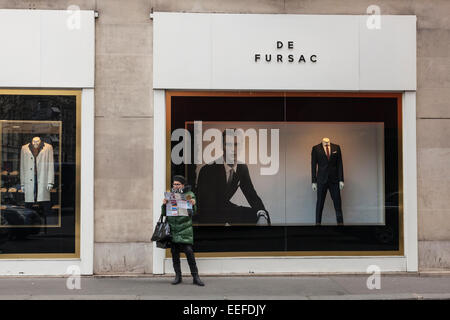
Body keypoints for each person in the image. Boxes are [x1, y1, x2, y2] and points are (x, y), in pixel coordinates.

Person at [194, 130, 271, 226]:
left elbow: (251, 194)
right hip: (208, 213)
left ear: (241, 147)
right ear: (222, 147)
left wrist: (261, 213)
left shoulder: (242, 168)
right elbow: (209, 206)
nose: (233, 149)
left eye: (236, 145)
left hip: (225, 210)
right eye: (229, 145)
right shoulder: (208, 170)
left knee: (263, 215)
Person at [162, 175, 205, 286]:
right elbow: (163, 213)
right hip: (173, 229)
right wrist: (164, 204)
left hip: (185, 229)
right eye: (174, 184)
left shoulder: (189, 195)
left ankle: (196, 277)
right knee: (174, 254)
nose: (175, 186)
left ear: (183, 185)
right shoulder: (169, 195)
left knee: (189, 252)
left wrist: (193, 204)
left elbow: (193, 212)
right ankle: (178, 276)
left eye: (178, 184)